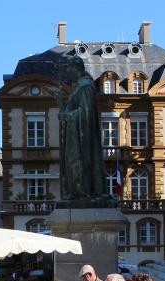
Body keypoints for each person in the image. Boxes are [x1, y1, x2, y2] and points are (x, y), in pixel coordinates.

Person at [57, 55, 106, 200]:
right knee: (71, 162)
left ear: (75, 68)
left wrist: (66, 116)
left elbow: (86, 112)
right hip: (73, 134)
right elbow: (71, 111)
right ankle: (75, 191)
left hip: (81, 136)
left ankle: (81, 192)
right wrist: (60, 102)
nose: (67, 72)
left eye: (69, 69)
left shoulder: (85, 86)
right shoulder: (77, 87)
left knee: (76, 161)